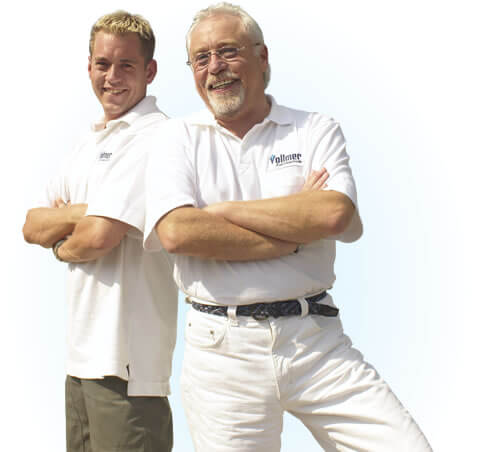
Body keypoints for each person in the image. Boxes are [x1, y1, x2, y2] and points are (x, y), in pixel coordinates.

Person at [143, 2, 432, 451]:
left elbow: (334, 215)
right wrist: (293, 230)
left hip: (316, 342)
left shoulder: (314, 129)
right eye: (201, 58)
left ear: (262, 57)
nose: (215, 67)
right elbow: (177, 232)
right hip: (222, 355)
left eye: (228, 51)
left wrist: (221, 211)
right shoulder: (174, 137)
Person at [22, 11, 177, 452]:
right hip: (80, 362)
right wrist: (87, 213)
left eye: (126, 65)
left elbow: (98, 238)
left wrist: (63, 237)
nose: (112, 77)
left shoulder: (158, 138)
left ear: (150, 71)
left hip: (127, 369)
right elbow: (31, 225)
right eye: (103, 64)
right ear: (88, 66)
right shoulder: (88, 144)